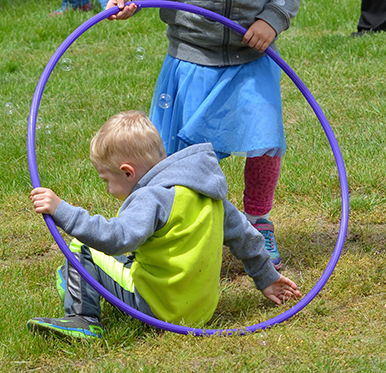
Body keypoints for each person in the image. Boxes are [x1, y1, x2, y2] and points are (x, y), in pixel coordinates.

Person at [106, 0, 309, 270]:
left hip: (251, 57)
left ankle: (258, 220)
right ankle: (185, 223)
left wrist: (271, 19)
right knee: (190, 153)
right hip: (193, 58)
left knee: (264, 141)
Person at [28, 110, 301, 339]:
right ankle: (81, 281)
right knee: (127, 252)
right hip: (200, 311)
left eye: (106, 180)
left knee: (79, 248)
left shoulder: (151, 197)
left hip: (157, 309)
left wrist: (61, 209)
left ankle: (82, 319)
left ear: (127, 172)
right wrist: (267, 279)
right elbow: (247, 237)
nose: (108, 189)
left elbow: (115, 239)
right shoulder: (207, 193)